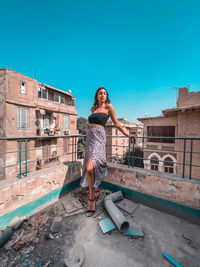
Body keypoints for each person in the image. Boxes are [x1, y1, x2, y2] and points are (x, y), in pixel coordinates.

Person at [80, 87, 133, 216]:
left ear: (106, 96)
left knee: (90, 167)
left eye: (105, 93)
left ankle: (91, 198)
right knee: (90, 163)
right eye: (100, 93)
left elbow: (117, 124)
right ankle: (95, 188)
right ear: (96, 96)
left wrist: (127, 135)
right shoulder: (93, 109)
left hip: (99, 137)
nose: (103, 95)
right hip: (90, 138)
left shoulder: (109, 107)